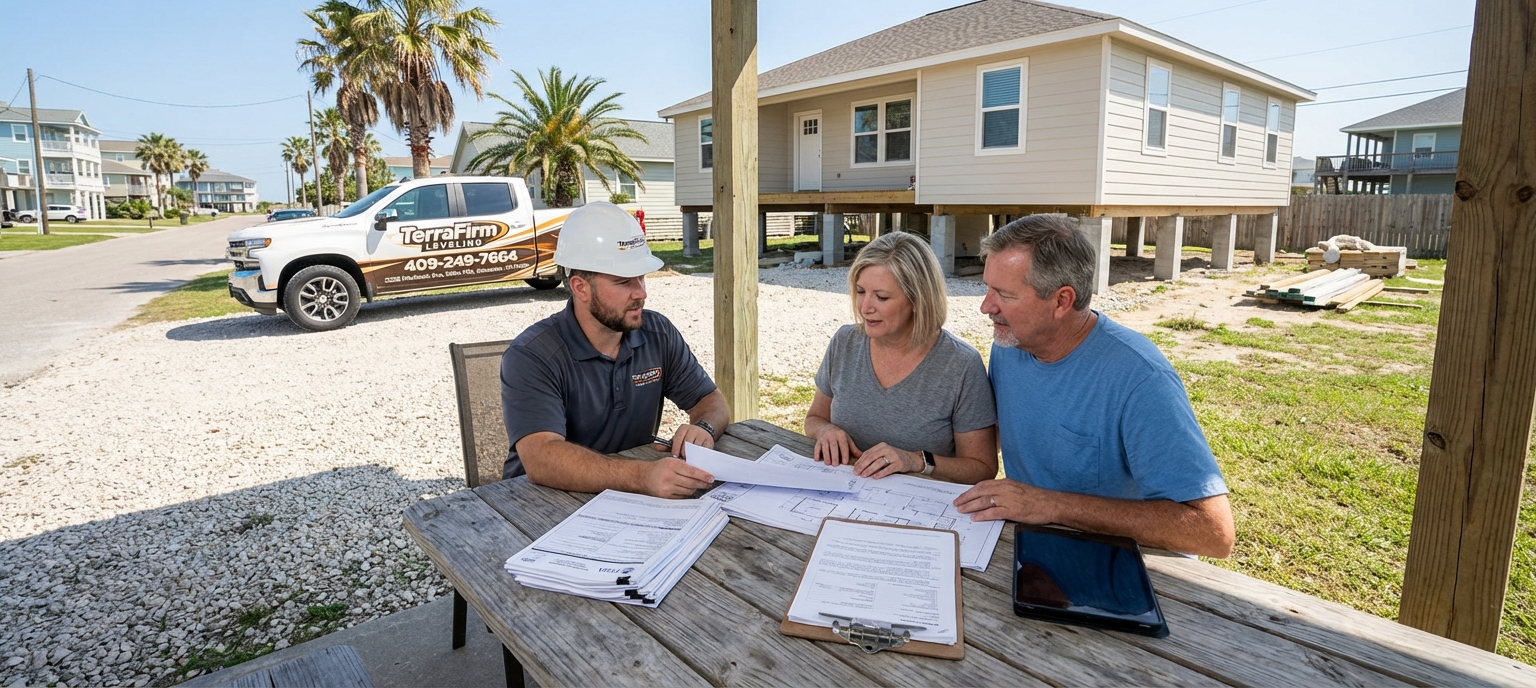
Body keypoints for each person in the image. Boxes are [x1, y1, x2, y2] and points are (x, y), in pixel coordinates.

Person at [952, 215, 1235, 558]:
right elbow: (989, 440)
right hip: (1035, 543)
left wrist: (1051, 506)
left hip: (1124, 562)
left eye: (1004, 294)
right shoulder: (1010, 344)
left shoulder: (1139, 378)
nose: (986, 306)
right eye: (987, 287)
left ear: (1061, 301)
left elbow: (1213, 532)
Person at [499, 202, 727, 498]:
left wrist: (704, 428)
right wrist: (643, 476)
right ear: (580, 287)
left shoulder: (657, 333)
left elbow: (711, 400)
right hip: (534, 504)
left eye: (642, 277)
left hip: (625, 499)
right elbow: (541, 457)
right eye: (623, 282)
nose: (641, 292)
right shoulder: (532, 355)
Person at [805, 232, 998, 484]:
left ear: (918, 299)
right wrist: (826, 430)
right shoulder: (845, 342)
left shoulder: (960, 364)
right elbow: (814, 419)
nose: (865, 307)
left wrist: (915, 461)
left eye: (882, 297)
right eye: (861, 291)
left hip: (919, 507)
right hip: (843, 491)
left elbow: (982, 468)